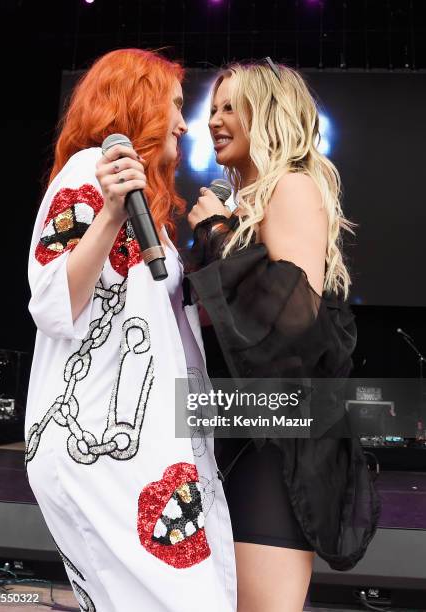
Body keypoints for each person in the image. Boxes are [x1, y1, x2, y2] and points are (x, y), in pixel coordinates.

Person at [25, 49, 236, 612]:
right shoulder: (88, 173)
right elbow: (50, 300)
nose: (184, 123)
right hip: (104, 449)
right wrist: (112, 216)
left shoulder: (146, 206)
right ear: (136, 105)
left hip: (150, 452)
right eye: (172, 105)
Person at [186, 59, 380, 612]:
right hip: (227, 426)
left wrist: (219, 235)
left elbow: (295, 322)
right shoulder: (240, 202)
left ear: (266, 115)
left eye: (231, 107)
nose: (214, 120)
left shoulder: (290, 189)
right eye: (212, 108)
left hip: (272, 442)